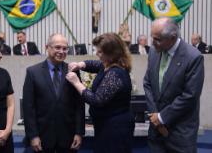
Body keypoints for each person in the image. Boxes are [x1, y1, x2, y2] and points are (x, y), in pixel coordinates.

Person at [66, 32, 135, 153]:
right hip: (106, 125)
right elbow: (94, 64)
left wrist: (77, 83)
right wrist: (79, 64)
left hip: (115, 129)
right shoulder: (109, 65)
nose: (97, 54)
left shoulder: (115, 73)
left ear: (111, 53)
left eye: (100, 52)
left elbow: (96, 100)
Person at [144, 17, 204, 153]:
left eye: (157, 39)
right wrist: (156, 118)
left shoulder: (193, 57)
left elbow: (190, 95)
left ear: (173, 38)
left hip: (180, 133)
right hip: (156, 133)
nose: (152, 43)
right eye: (152, 37)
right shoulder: (154, 52)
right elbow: (148, 83)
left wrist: (162, 118)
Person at [22, 33, 85, 153]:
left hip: (69, 137)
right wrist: (33, 135)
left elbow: (79, 105)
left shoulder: (73, 71)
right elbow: (29, 107)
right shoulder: (33, 72)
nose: (61, 51)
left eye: (65, 48)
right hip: (42, 137)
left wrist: (79, 132)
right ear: (47, 47)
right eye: (57, 47)